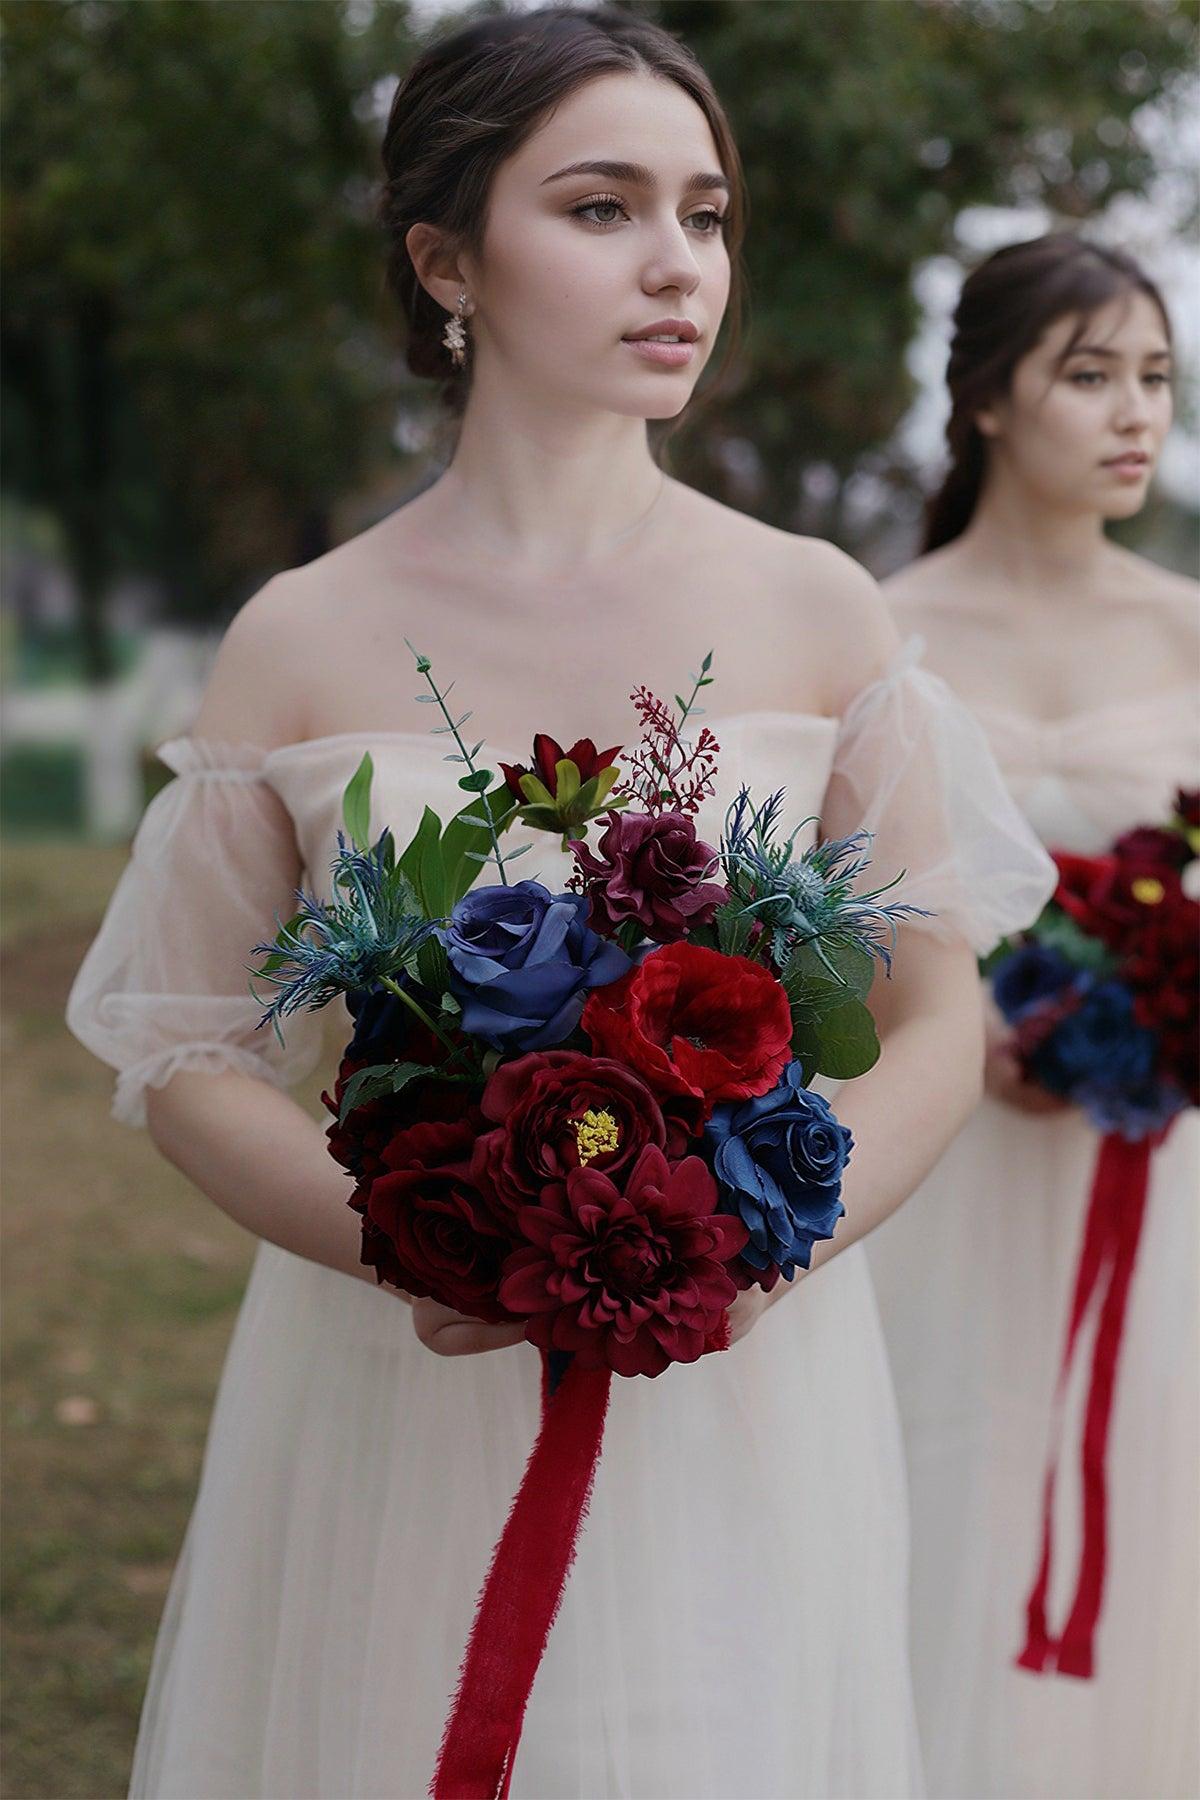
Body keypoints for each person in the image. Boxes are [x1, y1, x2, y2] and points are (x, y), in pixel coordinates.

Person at [64, 10, 1054, 1796]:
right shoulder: (302, 632)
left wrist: (778, 1246)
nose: (679, 263)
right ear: (447, 257)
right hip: (397, 1374)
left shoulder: (823, 608)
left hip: (745, 1381)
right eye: (602, 208)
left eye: (708, 211)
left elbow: (934, 1005)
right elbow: (191, 1045)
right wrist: (413, 1243)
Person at [865, 233, 1200, 1800]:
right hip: (934, 1151)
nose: (1138, 415)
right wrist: (940, 1030)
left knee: (1150, 1488)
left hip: (1154, 1161)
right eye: (1091, 377)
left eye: (1156, 378)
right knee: (934, 1479)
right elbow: (810, 910)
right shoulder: (878, 627)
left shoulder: (1190, 631)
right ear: (990, 397)